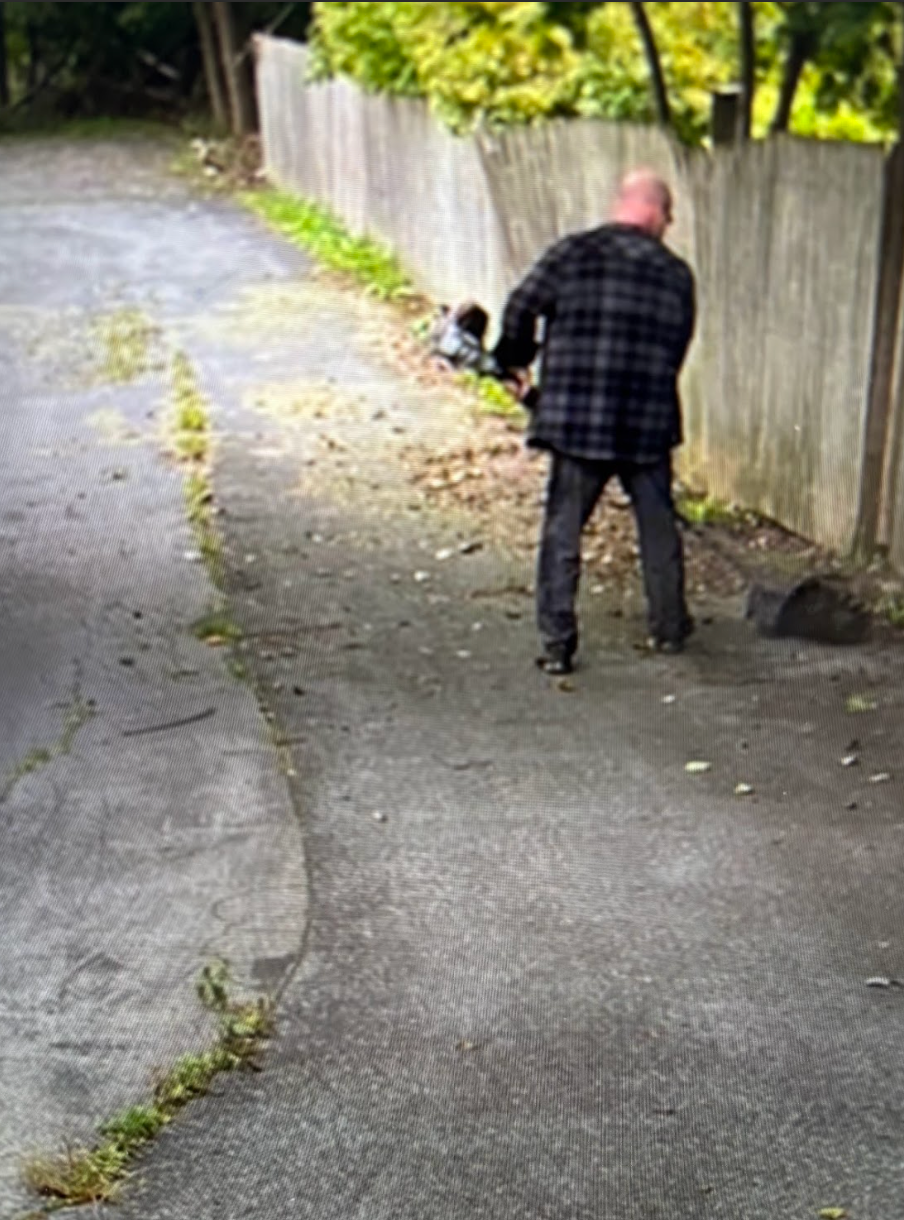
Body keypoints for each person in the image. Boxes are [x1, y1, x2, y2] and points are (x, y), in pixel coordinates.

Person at [492, 168, 697, 675]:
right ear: (654, 211)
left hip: (576, 420)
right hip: (646, 423)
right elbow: (677, 348)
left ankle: (557, 644)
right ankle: (669, 629)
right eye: (669, 216)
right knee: (658, 528)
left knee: (563, 530)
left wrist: (515, 359)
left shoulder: (573, 254)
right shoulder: (675, 275)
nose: (668, 225)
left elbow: (520, 306)